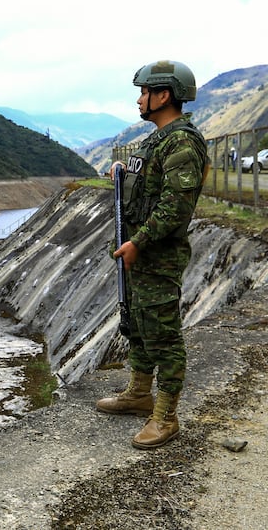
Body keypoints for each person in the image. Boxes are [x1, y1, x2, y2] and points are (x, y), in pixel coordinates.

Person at [96, 60, 208, 449]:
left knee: (164, 335)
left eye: (145, 92)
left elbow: (175, 207)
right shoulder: (157, 140)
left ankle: (167, 416)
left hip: (157, 256)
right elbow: (150, 182)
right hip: (142, 254)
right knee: (140, 326)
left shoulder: (181, 141)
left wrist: (138, 242)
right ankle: (139, 392)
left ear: (164, 95)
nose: (139, 99)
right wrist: (122, 172)